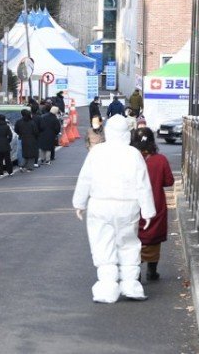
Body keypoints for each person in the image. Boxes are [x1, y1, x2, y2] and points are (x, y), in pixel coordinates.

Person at [72, 114, 156, 303]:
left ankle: (107, 287)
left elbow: (85, 178)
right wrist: (148, 210)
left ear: (108, 132)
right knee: (128, 243)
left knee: (102, 244)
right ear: (127, 133)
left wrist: (79, 203)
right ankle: (131, 284)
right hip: (128, 205)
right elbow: (143, 184)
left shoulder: (97, 152)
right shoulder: (133, 154)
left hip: (100, 204)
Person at [130, 128, 174, 281]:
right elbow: (169, 181)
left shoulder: (131, 159)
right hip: (156, 203)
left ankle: (135, 271)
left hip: (134, 204)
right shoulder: (160, 159)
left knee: (133, 237)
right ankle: (152, 270)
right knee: (154, 238)